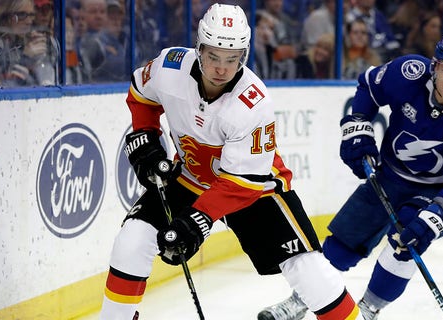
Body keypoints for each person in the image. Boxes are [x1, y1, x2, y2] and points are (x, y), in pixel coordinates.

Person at [98, 3, 363, 320]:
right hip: (190, 178)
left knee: (307, 267)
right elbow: (141, 93)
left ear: (244, 56)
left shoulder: (253, 102)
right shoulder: (170, 67)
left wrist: (198, 218)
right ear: (199, 48)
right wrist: (146, 137)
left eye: (232, 59)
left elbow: (242, 183)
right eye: (213, 57)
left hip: (255, 187)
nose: (221, 69)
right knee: (131, 241)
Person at [259, 29, 443, 320]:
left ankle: (368, 310)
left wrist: (435, 214)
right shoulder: (408, 72)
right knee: (346, 238)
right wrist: (357, 127)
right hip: (390, 176)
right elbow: (369, 88)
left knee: (409, 236)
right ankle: (300, 301)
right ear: (434, 65)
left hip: (438, 192)